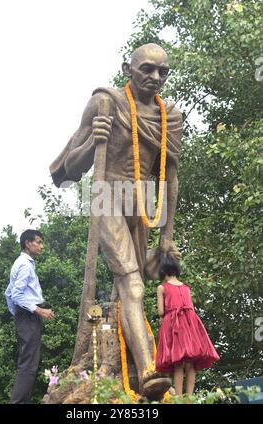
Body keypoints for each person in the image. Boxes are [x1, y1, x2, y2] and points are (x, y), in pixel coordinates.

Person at [49, 43, 183, 396]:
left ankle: (121, 365)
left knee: (128, 293)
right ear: (128, 68)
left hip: (142, 203)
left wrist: (166, 235)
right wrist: (93, 141)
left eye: (163, 71)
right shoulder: (105, 102)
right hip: (107, 197)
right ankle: (148, 370)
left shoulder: (170, 115)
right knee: (133, 284)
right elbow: (66, 171)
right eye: (147, 69)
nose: (155, 77)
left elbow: (170, 177)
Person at [155, 254, 220, 396]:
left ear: (163, 271)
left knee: (178, 363)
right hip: (191, 326)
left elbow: (160, 311)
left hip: (174, 325)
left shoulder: (162, 287)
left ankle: (178, 397)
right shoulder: (186, 287)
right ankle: (189, 398)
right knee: (190, 364)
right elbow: (190, 308)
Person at [5, 229, 55, 404]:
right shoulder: (25, 264)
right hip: (29, 316)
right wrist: (37, 311)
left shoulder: (23, 263)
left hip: (26, 317)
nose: (41, 246)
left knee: (29, 363)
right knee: (28, 365)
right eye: (38, 242)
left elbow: (8, 293)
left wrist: (19, 314)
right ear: (28, 243)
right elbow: (16, 295)